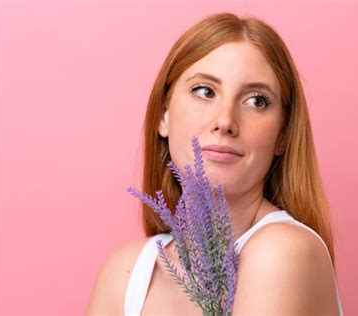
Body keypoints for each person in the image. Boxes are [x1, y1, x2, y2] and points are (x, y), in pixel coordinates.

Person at [87, 12, 344, 315]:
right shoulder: (127, 274)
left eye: (256, 100)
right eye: (205, 91)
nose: (225, 121)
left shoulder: (283, 252)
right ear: (163, 115)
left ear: (283, 135)